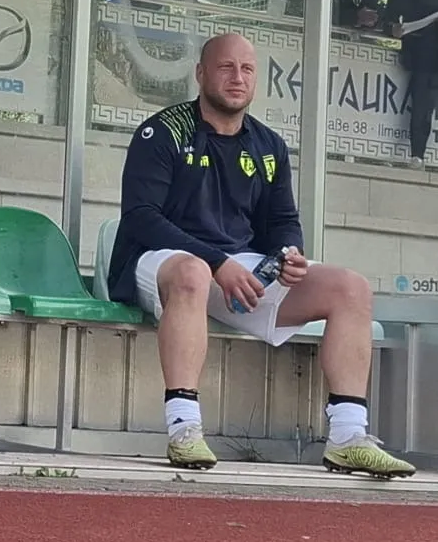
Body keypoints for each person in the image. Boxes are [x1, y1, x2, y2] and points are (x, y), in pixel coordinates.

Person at [106, 33, 413, 477]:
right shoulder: (162, 132)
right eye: (226, 67)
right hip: (160, 263)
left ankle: (348, 437)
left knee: (351, 287)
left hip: (235, 268)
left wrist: (289, 254)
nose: (237, 77)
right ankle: (184, 428)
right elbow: (141, 218)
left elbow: (283, 220)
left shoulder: (268, 144)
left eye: (247, 69)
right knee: (193, 272)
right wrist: (217, 262)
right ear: (200, 74)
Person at [385, 0, 438, 164]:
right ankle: (417, 154)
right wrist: (393, 29)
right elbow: (388, 19)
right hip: (421, 52)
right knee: (421, 105)